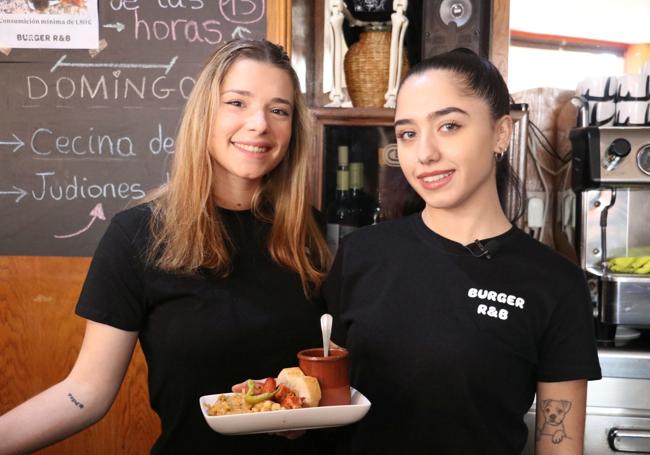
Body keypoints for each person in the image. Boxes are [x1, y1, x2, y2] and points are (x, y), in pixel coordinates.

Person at [0, 39, 331, 455]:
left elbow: (341, 370)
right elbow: (85, 392)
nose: (259, 124)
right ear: (203, 114)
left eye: (278, 110)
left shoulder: (314, 234)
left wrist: (308, 410)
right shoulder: (138, 234)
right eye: (237, 103)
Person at [322, 48, 601, 454]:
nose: (426, 153)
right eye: (408, 133)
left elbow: (560, 446)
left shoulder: (554, 283)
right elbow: (325, 400)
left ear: (501, 133)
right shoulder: (361, 255)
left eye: (449, 126)